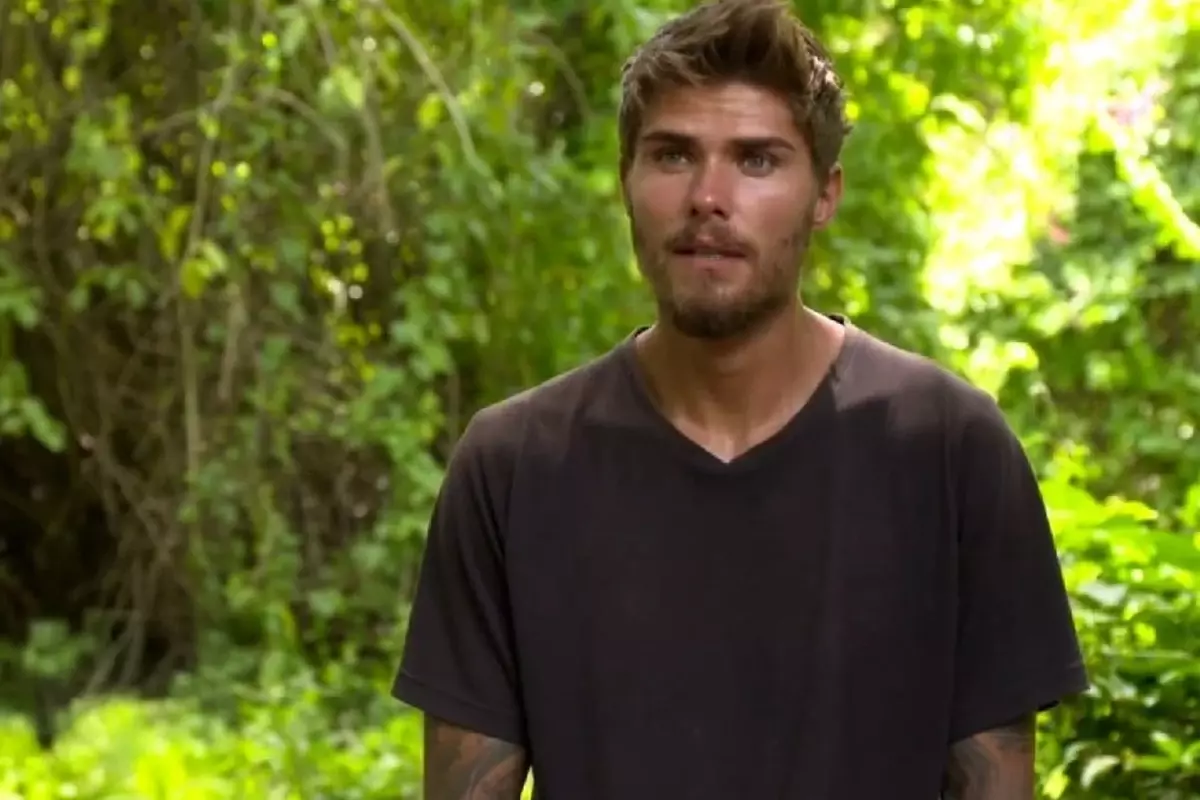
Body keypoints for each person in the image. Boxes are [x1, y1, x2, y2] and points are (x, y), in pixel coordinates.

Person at [391, 0, 1089, 797]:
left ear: (825, 194)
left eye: (757, 160)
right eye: (672, 156)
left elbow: (996, 778)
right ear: (626, 182)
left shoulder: (950, 451)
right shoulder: (514, 467)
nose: (708, 197)